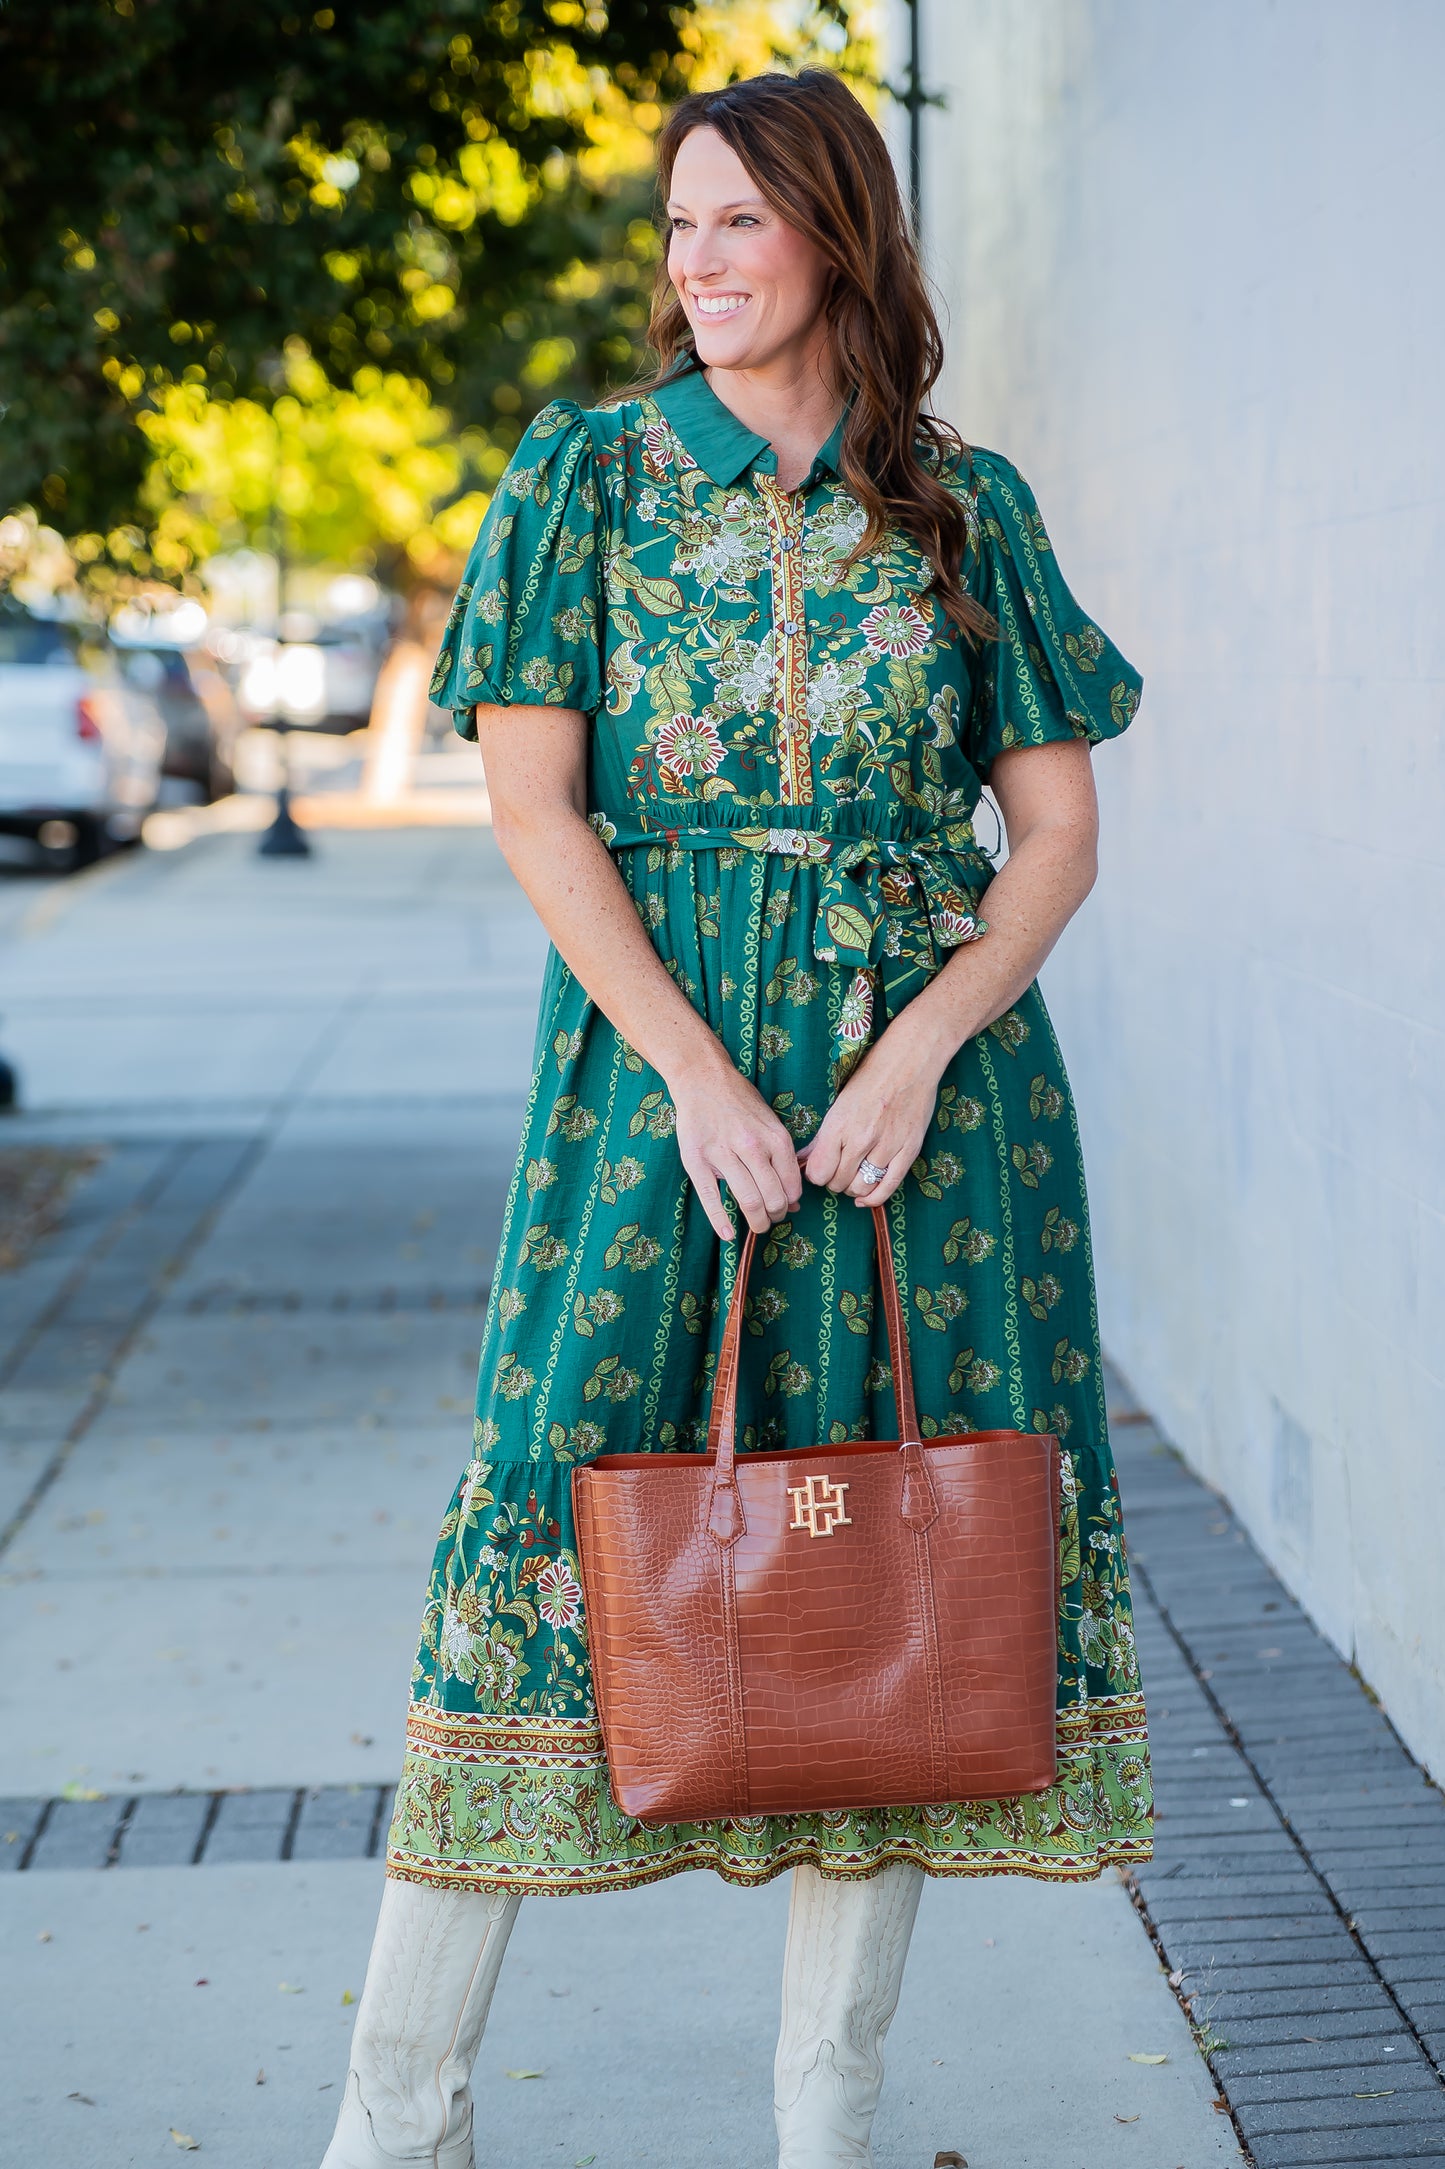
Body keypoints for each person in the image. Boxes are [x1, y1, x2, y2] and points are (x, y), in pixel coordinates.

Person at [322, 65, 1152, 2169]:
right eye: (676, 226)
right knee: (538, 1518)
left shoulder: (964, 505)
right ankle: (394, 2121)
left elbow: (1053, 835)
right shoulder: (586, 476)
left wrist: (918, 1052)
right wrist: (699, 1069)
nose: (693, 262)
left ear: (835, 238)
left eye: (736, 223)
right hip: (645, 1096)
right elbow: (534, 800)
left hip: (929, 1129)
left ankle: (825, 2126)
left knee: (892, 1566)